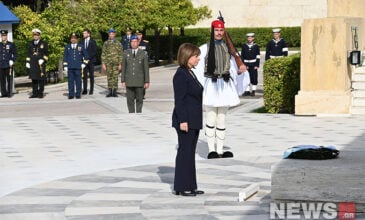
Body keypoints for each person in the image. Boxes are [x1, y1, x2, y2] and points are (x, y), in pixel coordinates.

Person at [194, 19, 246, 159]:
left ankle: (220, 150)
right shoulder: (205, 48)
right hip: (211, 85)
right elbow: (197, 69)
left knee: (222, 118)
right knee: (211, 117)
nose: (219, 33)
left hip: (225, 86)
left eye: (221, 30)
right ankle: (212, 149)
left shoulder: (228, 48)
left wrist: (240, 70)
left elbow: (234, 68)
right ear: (212, 31)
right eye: (216, 30)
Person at [172, 43, 204, 196]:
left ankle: (190, 185)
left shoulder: (189, 72)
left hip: (194, 119)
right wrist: (183, 120)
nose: (198, 59)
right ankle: (181, 186)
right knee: (185, 153)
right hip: (186, 121)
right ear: (186, 57)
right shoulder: (180, 74)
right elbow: (180, 100)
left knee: (190, 153)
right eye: (195, 56)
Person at [121, 35, 150, 113]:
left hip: (139, 80)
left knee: (139, 99)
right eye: (132, 42)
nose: (133, 43)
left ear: (138, 42)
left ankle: (139, 113)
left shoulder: (143, 53)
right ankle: (131, 114)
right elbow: (124, 67)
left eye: (135, 42)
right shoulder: (126, 53)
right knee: (129, 100)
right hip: (129, 80)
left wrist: (147, 81)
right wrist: (123, 80)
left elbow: (146, 68)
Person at [63, 33, 89, 99]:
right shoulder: (67, 47)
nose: (73, 39)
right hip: (70, 67)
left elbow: (86, 56)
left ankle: (78, 94)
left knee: (78, 81)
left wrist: (84, 64)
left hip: (78, 67)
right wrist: (65, 66)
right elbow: (65, 57)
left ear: (77, 39)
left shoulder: (81, 46)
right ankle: (71, 94)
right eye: (72, 38)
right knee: (70, 81)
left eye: (74, 38)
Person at [26, 28, 49, 98]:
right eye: (34, 35)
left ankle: (40, 93)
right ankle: (34, 93)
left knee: (41, 79)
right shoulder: (31, 43)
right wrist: (27, 62)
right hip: (33, 63)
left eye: (37, 35)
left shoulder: (44, 43)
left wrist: (43, 60)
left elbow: (47, 54)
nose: (35, 36)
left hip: (40, 64)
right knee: (34, 79)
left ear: (39, 36)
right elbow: (28, 54)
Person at [101, 28, 123, 97]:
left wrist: (120, 64)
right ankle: (110, 91)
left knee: (115, 77)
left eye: (112, 34)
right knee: (109, 77)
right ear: (109, 35)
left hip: (116, 63)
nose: (111, 35)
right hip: (108, 63)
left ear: (114, 34)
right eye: (110, 34)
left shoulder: (118, 43)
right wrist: (103, 63)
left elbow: (120, 54)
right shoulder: (106, 43)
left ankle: (115, 91)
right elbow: (103, 53)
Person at [0, 30, 17, 98]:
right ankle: (4, 93)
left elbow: (15, 54)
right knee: (2, 80)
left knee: (9, 79)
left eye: (4, 35)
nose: (3, 37)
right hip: (1, 65)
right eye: (2, 35)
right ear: (1, 36)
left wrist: (12, 60)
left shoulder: (11, 44)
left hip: (8, 65)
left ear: (6, 36)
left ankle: (9, 93)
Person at [81, 29, 97, 95]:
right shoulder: (82, 42)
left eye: (85, 33)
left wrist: (88, 58)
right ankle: (85, 89)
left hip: (91, 61)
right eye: (83, 33)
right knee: (84, 76)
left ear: (88, 34)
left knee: (91, 76)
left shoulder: (93, 42)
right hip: (84, 62)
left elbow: (94, 52)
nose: (83, 34)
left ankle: (91, 89)